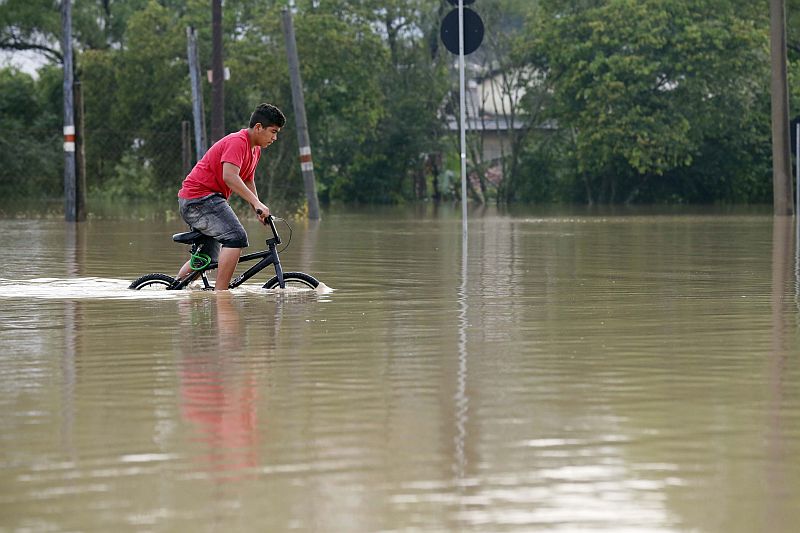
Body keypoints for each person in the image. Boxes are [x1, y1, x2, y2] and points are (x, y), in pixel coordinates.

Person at [176, 103, 285, 290]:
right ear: (258, 127)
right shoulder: (238, 142)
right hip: (199, 200)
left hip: (207, 200)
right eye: (273, 131)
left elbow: (248, 179)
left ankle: (175, 288)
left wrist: (257, 208)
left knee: (207, 259)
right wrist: (256, 202)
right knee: (236, 237)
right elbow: (229, 176)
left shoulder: (254, 150)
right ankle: (222, 294)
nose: (275, 138)